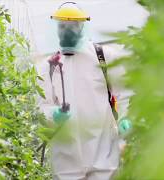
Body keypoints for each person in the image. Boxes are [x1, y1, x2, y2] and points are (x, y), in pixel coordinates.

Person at [37, 2, 133, 180]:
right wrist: (53, 114)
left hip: (103, 152)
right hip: (66, 156)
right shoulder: (48, 66)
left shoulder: (103, 56)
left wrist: (125, 117)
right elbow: (43, 105)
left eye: (73, 26)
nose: (67, 31)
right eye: (62, 26)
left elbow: (124, 93)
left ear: (83, 26)